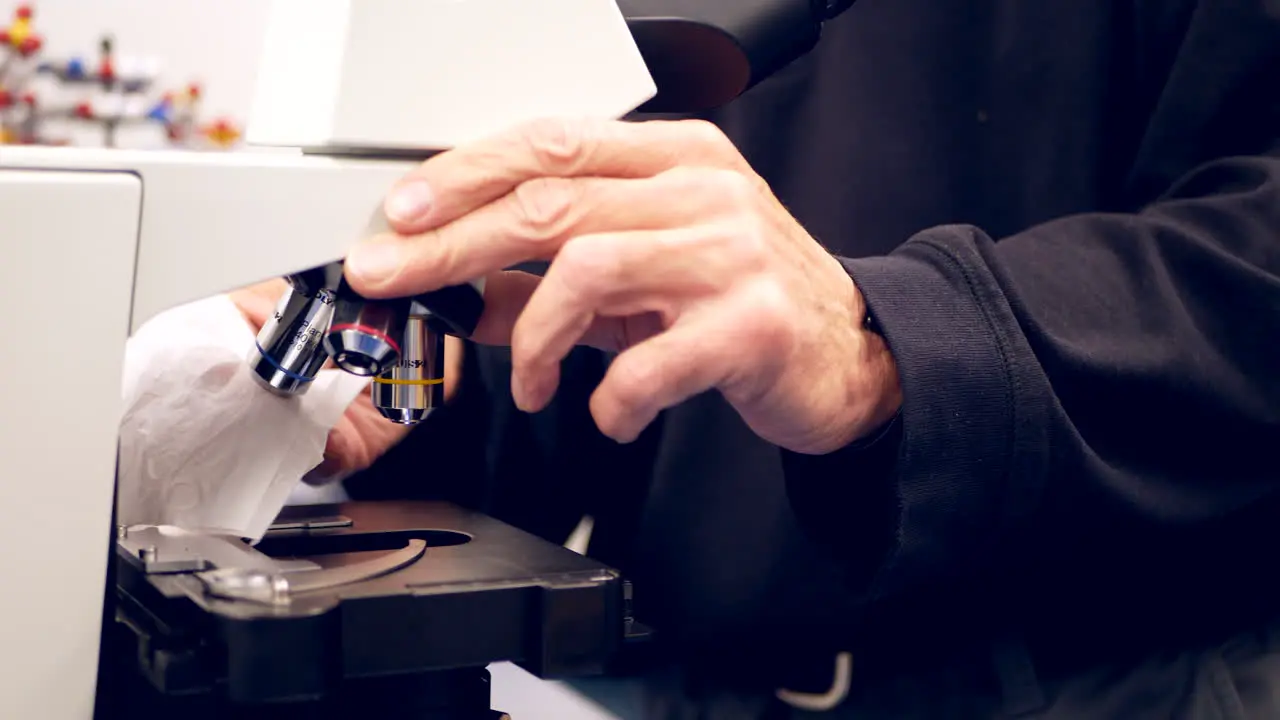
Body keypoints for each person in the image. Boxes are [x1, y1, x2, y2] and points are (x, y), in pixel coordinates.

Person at [233, 1, 1280, 717]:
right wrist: (422, 374)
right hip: (665, 669)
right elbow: (584, 306)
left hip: (1102, 680)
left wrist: (896, 348)